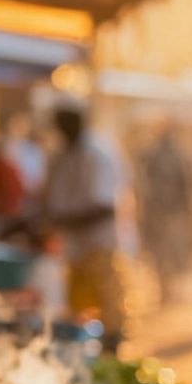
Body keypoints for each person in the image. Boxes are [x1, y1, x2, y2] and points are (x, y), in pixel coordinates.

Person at [38, 98, 136, 350]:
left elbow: (104, 207)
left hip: (99, 246)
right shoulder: (64, 154)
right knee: (79, 312)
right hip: (75, 248)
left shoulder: (96, 153)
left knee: (109, 310)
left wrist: (61, 220)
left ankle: (112, 353)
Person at [138, 125, 191, 302]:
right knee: (166, 251)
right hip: (165, 211)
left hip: (165, 211)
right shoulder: (173, 156)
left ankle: (166, 289)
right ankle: (165, 289)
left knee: (165, 252)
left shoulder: (161, 156)